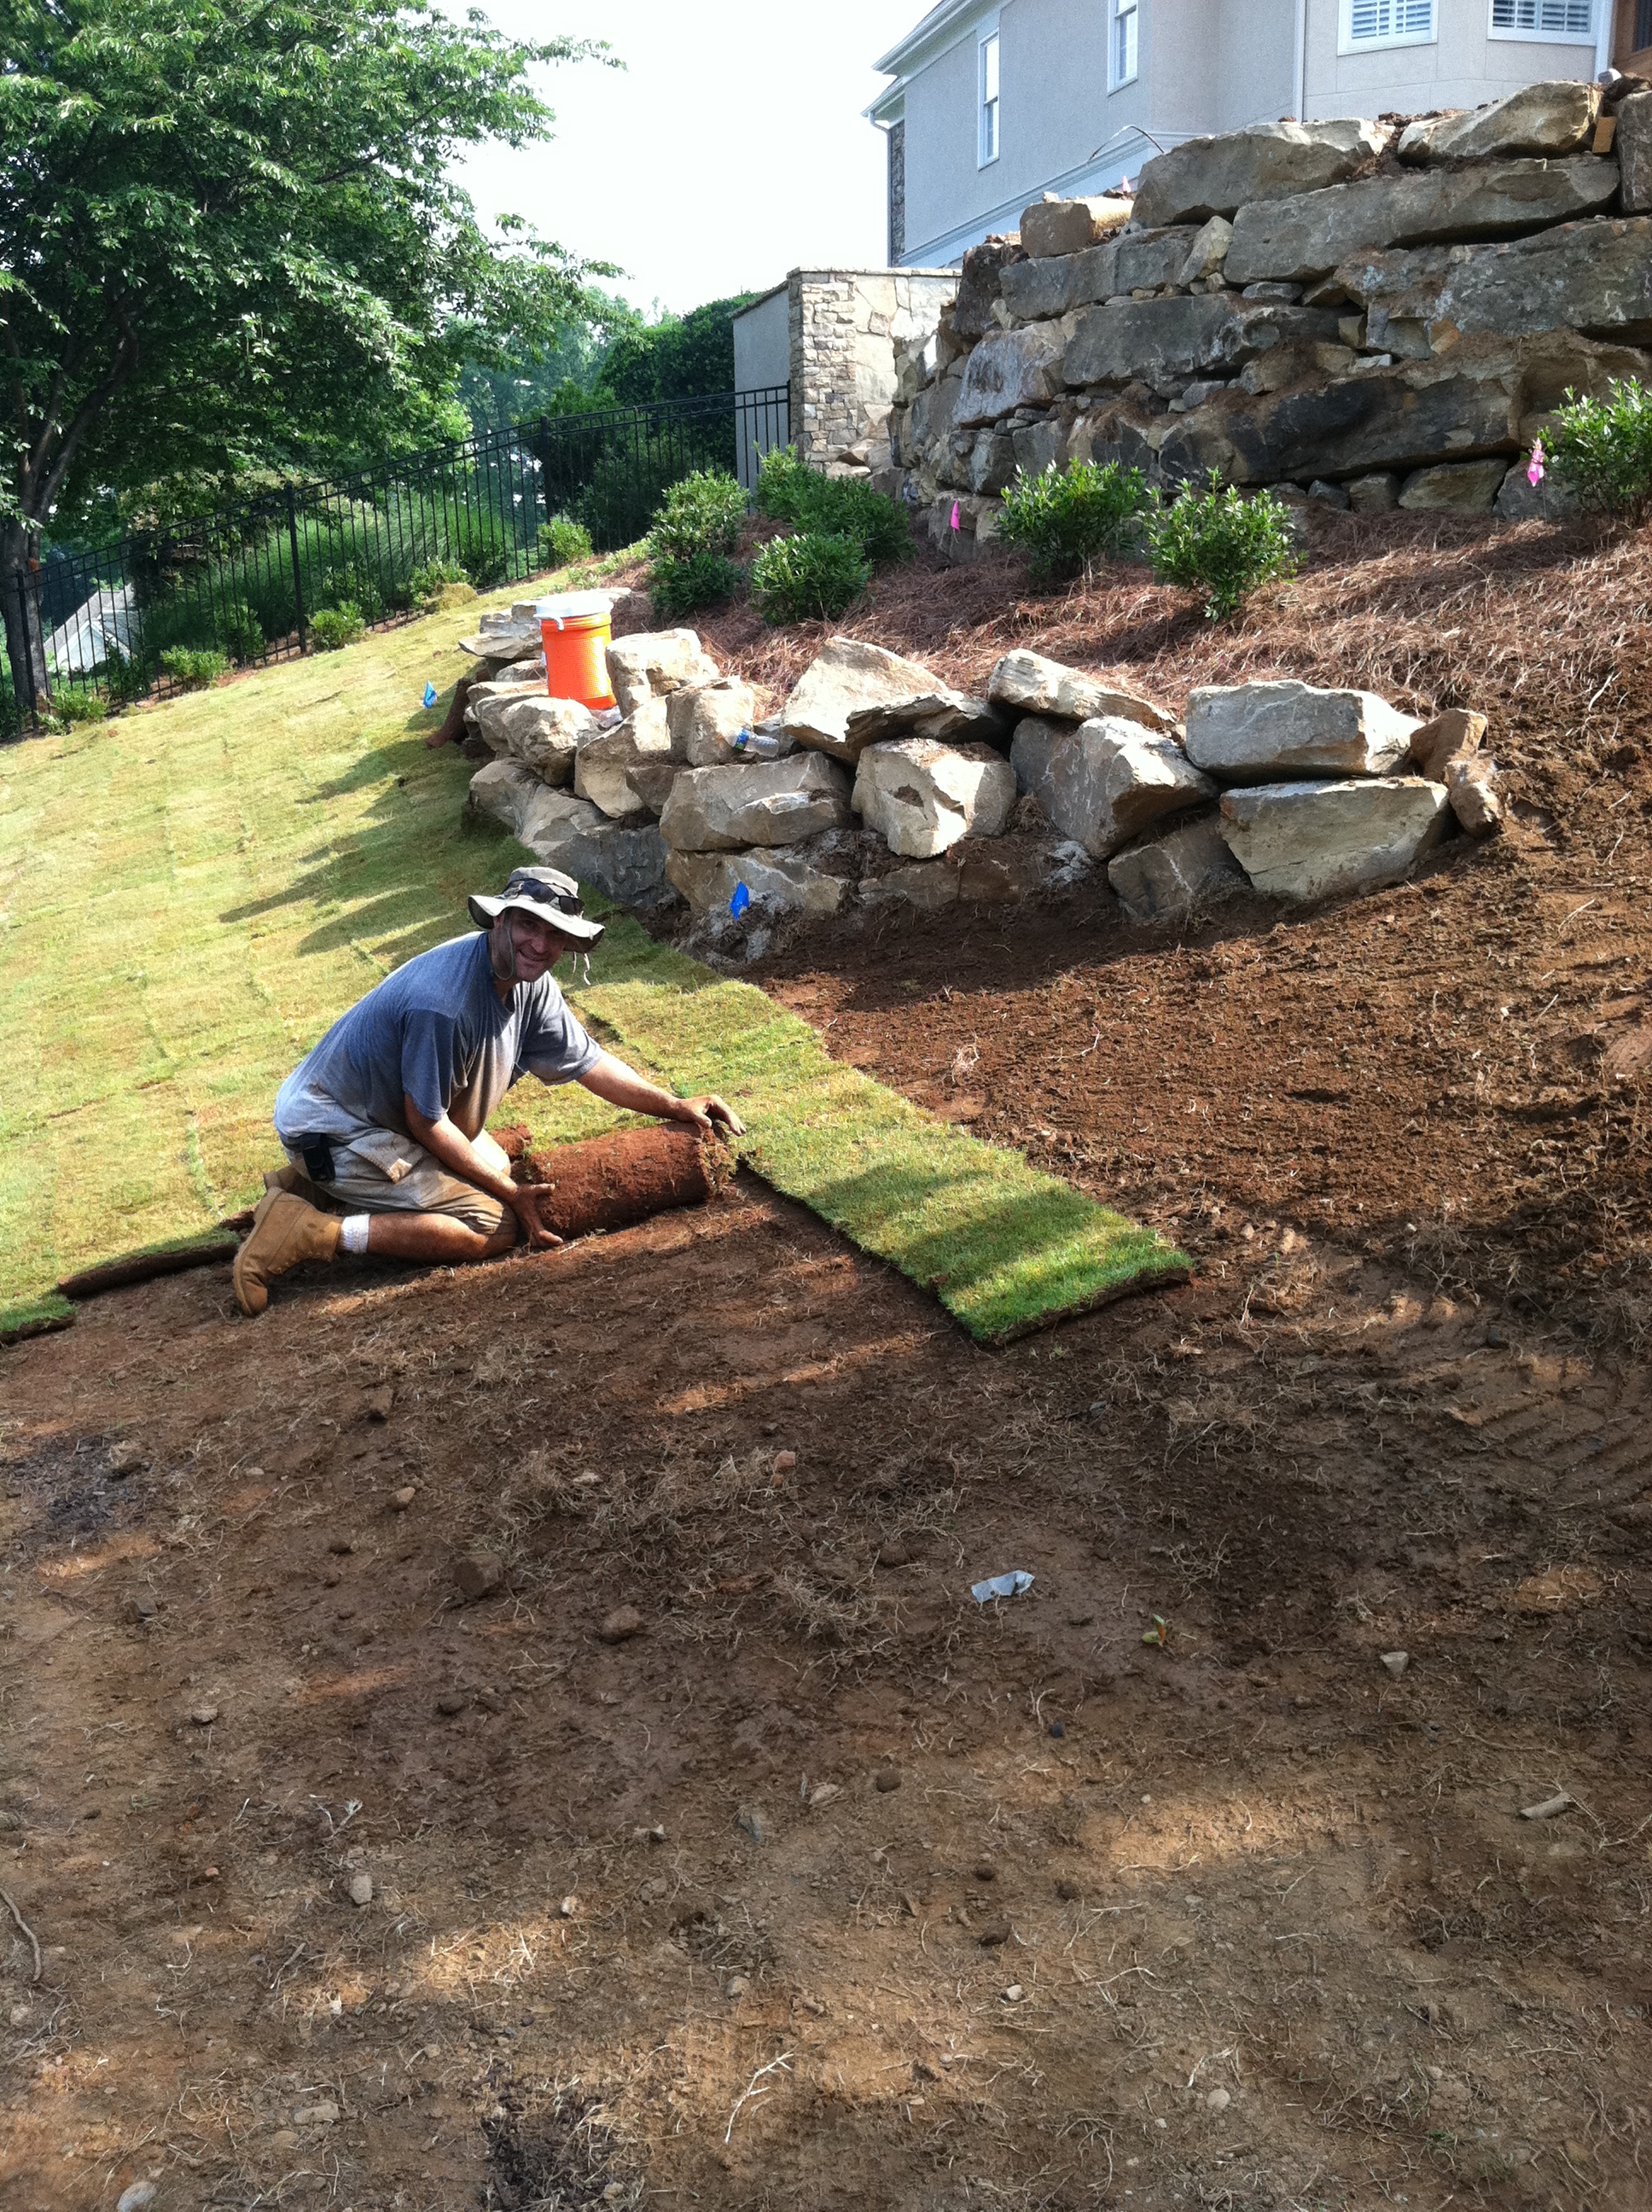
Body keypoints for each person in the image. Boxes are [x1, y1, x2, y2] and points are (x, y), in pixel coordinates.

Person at [232, 865, 744, 1316]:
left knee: (495, 1165)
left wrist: (673, 1104)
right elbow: (426, 1122)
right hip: (336, 1127)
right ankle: (311, 1229)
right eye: (529, 926)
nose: (540, 945)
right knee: (492, 1224)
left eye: (555, 934)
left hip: (370, 1115)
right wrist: (511, 1195)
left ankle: (306, 1184)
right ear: (500, 920)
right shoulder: (444, 1005)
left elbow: (589, 1064)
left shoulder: (530, 984)